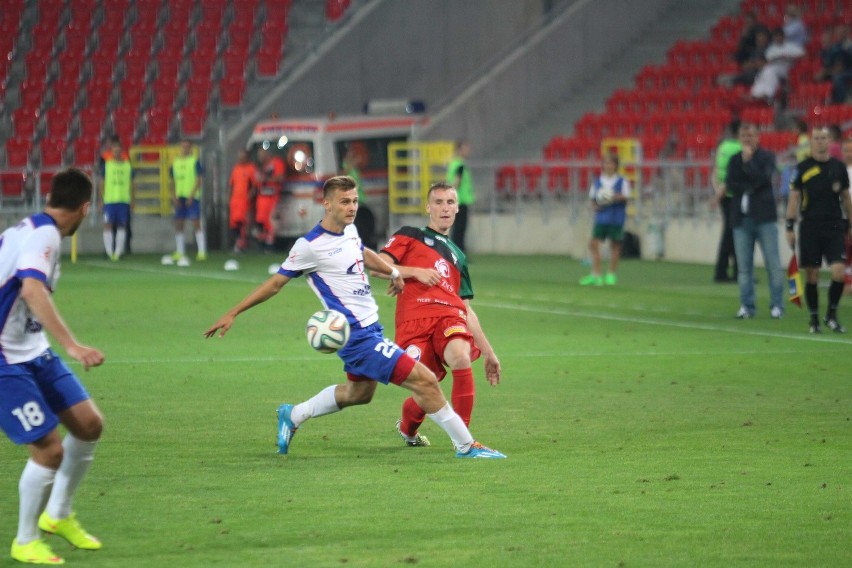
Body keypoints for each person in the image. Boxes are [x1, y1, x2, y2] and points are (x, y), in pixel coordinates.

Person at [204, 175, 505, 459]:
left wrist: (395, 272)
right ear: (327, 204)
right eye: (345, 202)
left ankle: (293, 414)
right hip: (354, 334)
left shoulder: (349, 230)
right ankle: (466, 445)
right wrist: (234, 312)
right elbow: (275, 284)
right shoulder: (309, 246)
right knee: (425, 380)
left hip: (372, 328)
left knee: (359, 393)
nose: (351, 208)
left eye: (354, 201)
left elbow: (362, 252)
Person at [1, 168, 106, 565]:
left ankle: (58, 515)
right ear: (84, 208)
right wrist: (74, 346)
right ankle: (25, 539)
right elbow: (31, 289)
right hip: (5, 358)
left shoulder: (29, 228)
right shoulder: (44, 236)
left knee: (89, 424)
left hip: (31, 349)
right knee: (48, 450)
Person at [378, 182, 500, 447]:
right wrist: (413, 272)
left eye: (450, 202)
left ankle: (464, 442)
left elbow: (465, 307)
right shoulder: (410, 235)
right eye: (439, 202)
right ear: (428, 207)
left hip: (449, 317)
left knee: (460, 354)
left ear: (457, 208)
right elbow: (379, 264)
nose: (445, 208)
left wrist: (488, 351)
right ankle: (408, 429)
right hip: (414, 320)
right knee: (426, 385)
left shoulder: (458, 257)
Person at [785, 127, 852, 333]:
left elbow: (846, 198)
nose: (820, 142)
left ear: (829, 141)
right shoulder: (802, 168)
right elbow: (794, 198)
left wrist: (850, 223)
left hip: (834, 225)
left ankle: (831, 314)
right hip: (810, 226)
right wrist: (789, 226)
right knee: (812, 275)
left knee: (838, 272)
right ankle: (814, 319)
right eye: (817, 138)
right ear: (811, 142)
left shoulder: (838, 167)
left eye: (824, 138)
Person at [726, 123, 785, 319]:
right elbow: (731, 184)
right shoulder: (734, 160)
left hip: (764, 218)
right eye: (743, 135)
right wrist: (750, 184)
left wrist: (749, 163)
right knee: (744, 268)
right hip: (741, 220)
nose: (747, 139)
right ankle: (747, 306)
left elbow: (764, 179)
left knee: (773, 264)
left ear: (758, 137)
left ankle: (777, 305)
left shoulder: (767, 157)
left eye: (750, 135)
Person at [579, 153, 631, 286]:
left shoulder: (622, 181)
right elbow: (593, 199)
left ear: (616, 166)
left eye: (611, 163)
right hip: (601, 217)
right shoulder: (598, 182)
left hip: (616, 217)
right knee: (593, 244)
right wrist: (596, 206)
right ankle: (596, 274)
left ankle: (611, 274)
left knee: (615, 246)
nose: (608, 166)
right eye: (606, 163)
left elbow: (626, 197)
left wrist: (612, 197)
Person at [712, 119, 741, 283]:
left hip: (724, 194)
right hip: (734, 195)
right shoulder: (738, 148)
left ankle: (728, 271)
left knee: (730, 232)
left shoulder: (722, 147)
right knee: (734, 233)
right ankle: (729, 271)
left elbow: (715, 171)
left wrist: (717, 190)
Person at [170, 140, 206, 265]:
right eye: (183, 146)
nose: (185, 149)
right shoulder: (175, 163)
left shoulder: (195, 162)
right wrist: (174, 197)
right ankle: (180, 251)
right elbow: (172, 181)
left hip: (192, 197)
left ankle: (201, 251)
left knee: (195, 222)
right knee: (179, 223)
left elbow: (199, 180)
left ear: (191, 148)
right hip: (180, 197)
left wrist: (191, 195)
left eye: (187, 147)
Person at [98, 137, 134, 261]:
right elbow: (101, 183)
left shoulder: (127, 166)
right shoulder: (107, 166)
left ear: (121, 151)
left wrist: (133, 199)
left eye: (118, 150)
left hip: (123, 200)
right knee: (108, 225)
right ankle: (109, 252)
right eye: (114, 150)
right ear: (112, 151)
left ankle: (118, 252)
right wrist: (101, 198)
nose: (116, 152)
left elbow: (132, 183)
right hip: (109, 200)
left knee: (122, 225)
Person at [343, 143, 377, 250]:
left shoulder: (354, 169)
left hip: (360, 201)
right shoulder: (347, 168)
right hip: (355, 202)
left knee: (363, 224)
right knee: (357, 225)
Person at [228, 149, 259, 253]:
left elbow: (255, 185)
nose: (241, 158)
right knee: (234, 223)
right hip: (235, 200)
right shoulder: (236, 168)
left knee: (244, 223)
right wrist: (230, 198)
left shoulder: (251, 168)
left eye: (243, 156)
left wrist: (250, 196)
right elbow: (231, 184)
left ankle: (242, 245)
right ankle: (237, 245)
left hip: (244, 200)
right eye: (239, 156)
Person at [256, 148, 285, 252]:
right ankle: (263, 244)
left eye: (261, 155)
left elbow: (280, 178)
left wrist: (266, 179)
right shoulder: (261, 167)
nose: (259, 158)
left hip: (273, 197)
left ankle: (270, 244)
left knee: (271, 221)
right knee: (261, 221)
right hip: (262, 197)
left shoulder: (276, 162)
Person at [447, 140, 473, 253]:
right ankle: (458, 252)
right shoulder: (460, 165)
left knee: (457, 228)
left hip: (457, 200)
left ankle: (456, 251)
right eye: (465, 148)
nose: (467, 151)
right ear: (459, 150)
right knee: (460, 228)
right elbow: (457, 182)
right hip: (460, 201)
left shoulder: (453, 164)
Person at [843, 137, 852, 294]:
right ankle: (846, 281)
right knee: (845, 249)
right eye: (847, 150)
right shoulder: (839, 170)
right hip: (843, 216)